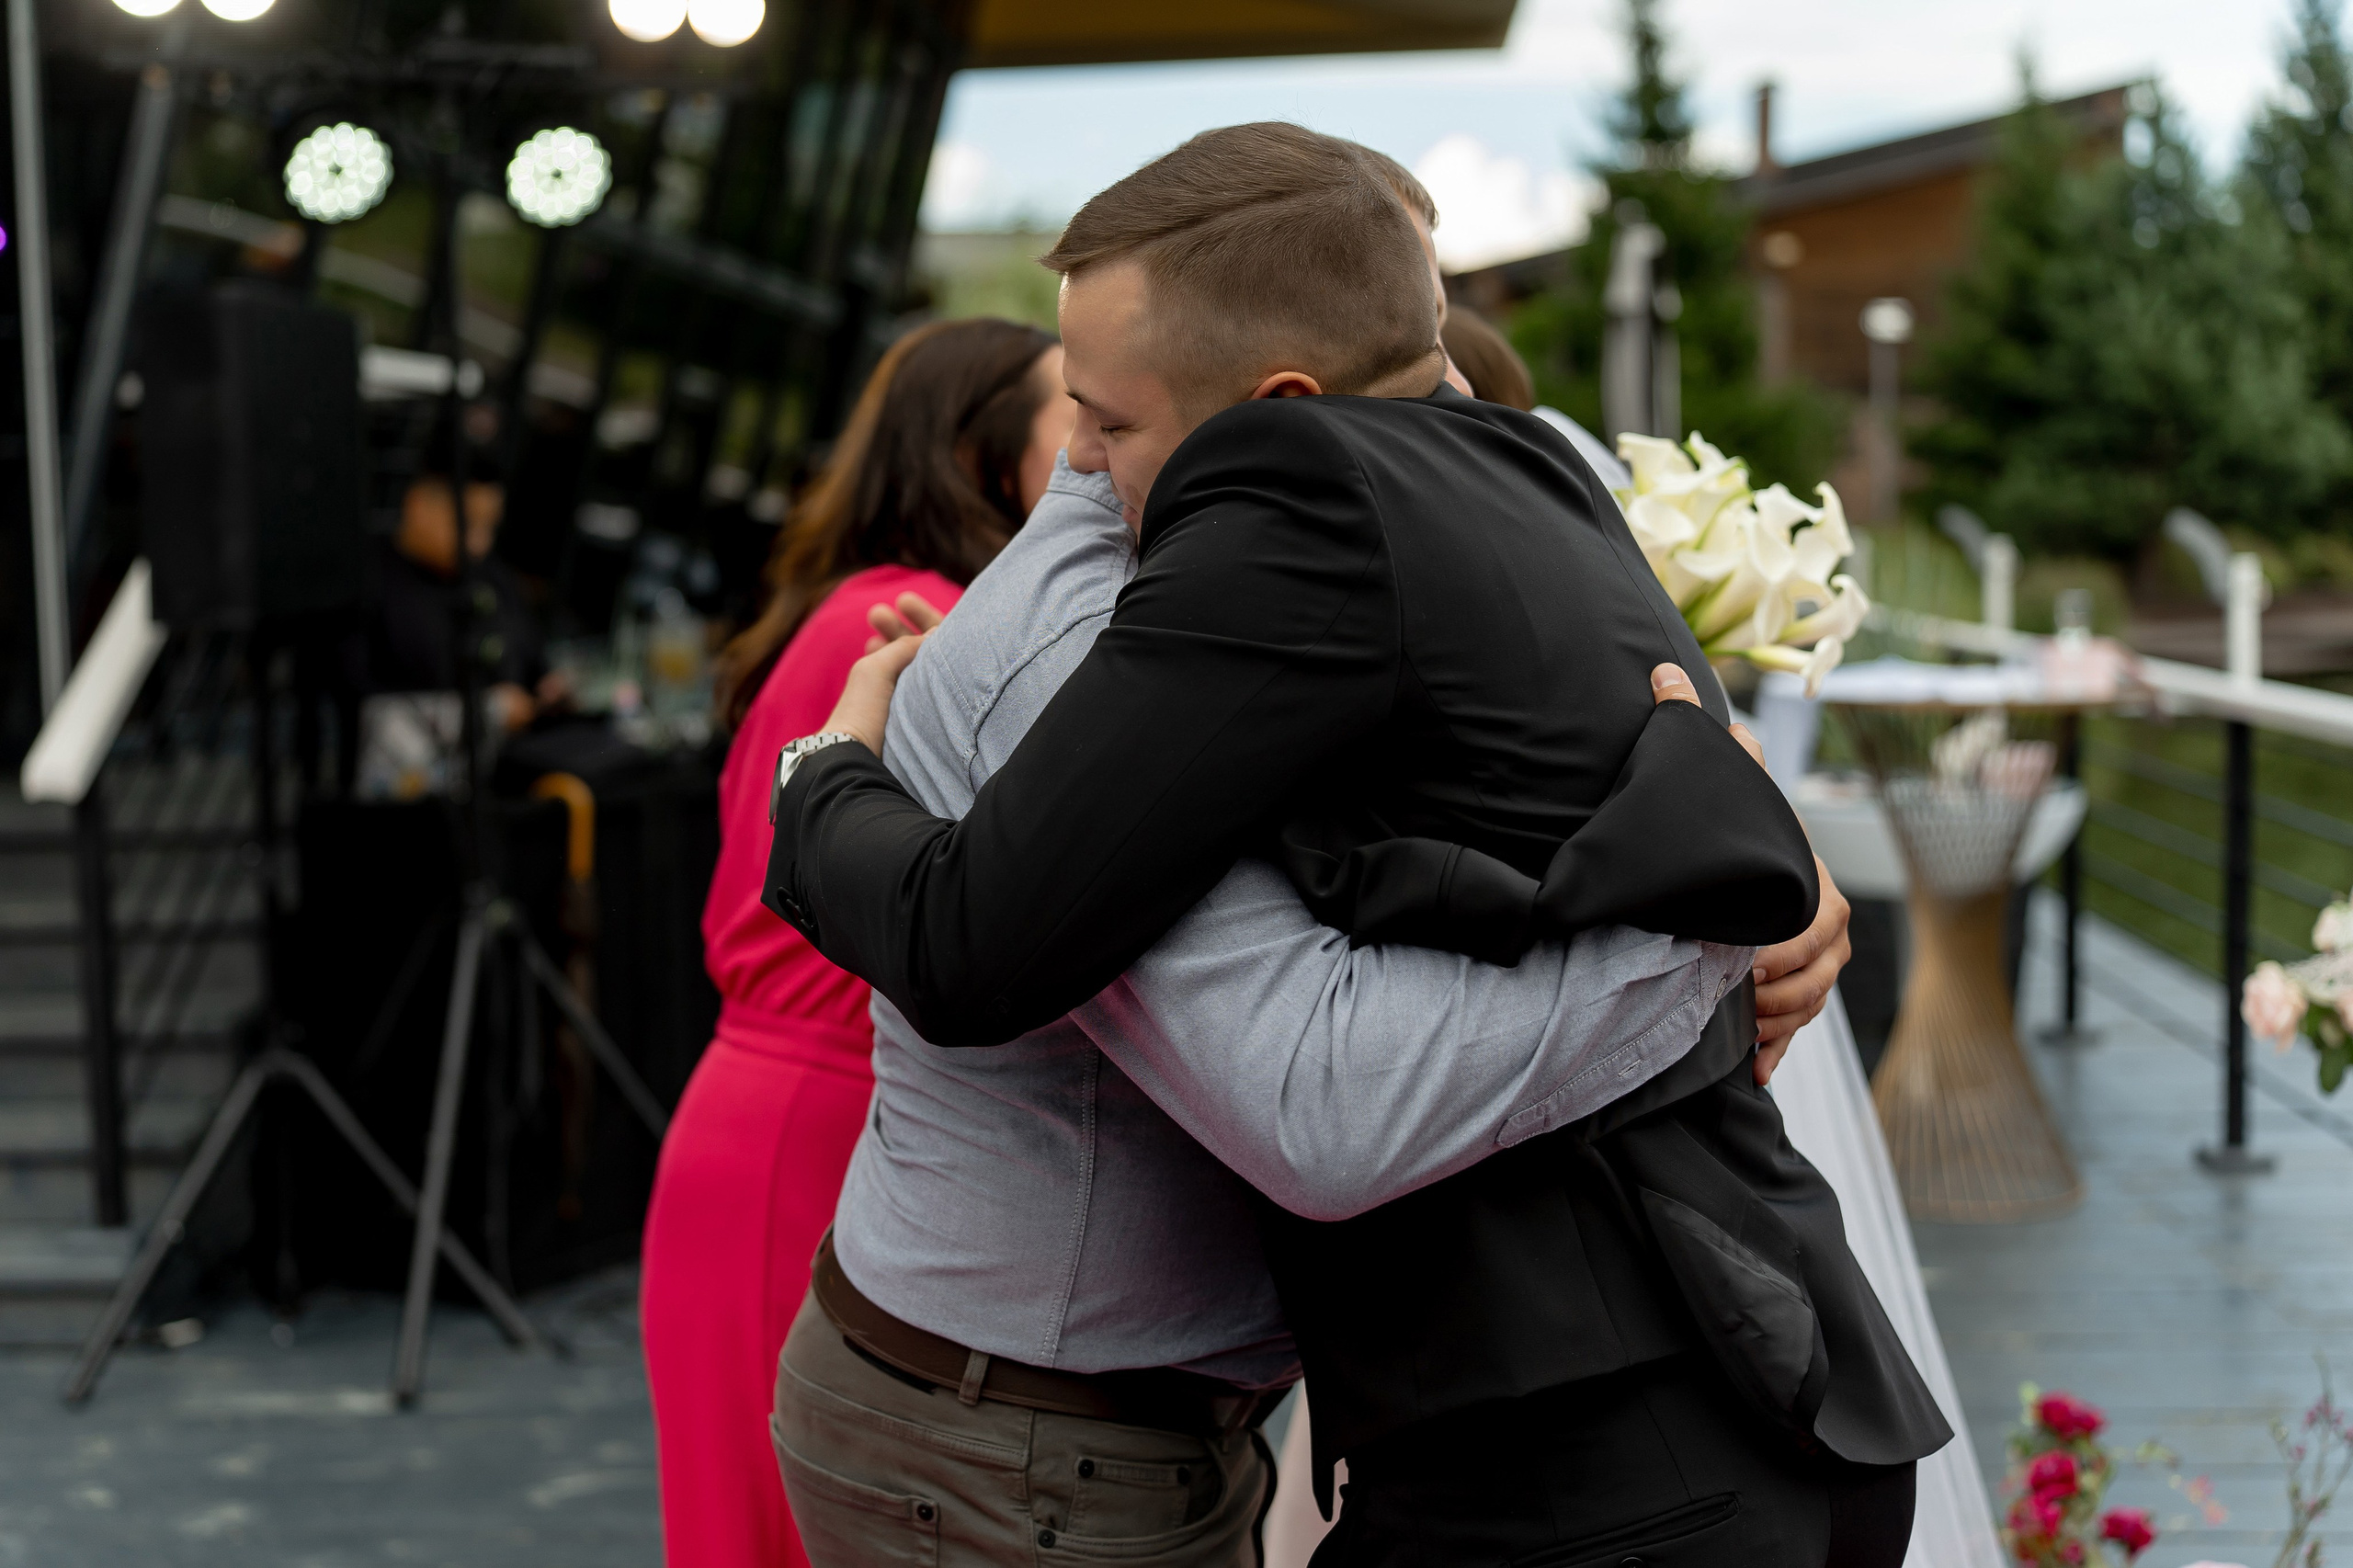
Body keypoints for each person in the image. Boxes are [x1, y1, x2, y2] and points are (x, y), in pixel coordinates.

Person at [767, 124, 1949, 1565]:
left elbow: (1308, 1097)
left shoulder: (1314, 510)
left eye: (1105, 417)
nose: (1074, 453)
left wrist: (817, 785)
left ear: (1284, 403)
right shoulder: (1510, 479)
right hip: (1670, 1387)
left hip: (1599, 1441)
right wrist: (1713, 904)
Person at [638, 316, 1072, 1568]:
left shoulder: (865, 608)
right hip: (811, 1121)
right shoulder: (907, 620)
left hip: (794, 1114)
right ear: (983, 457)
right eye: (1077, 416)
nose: (1101, 447)